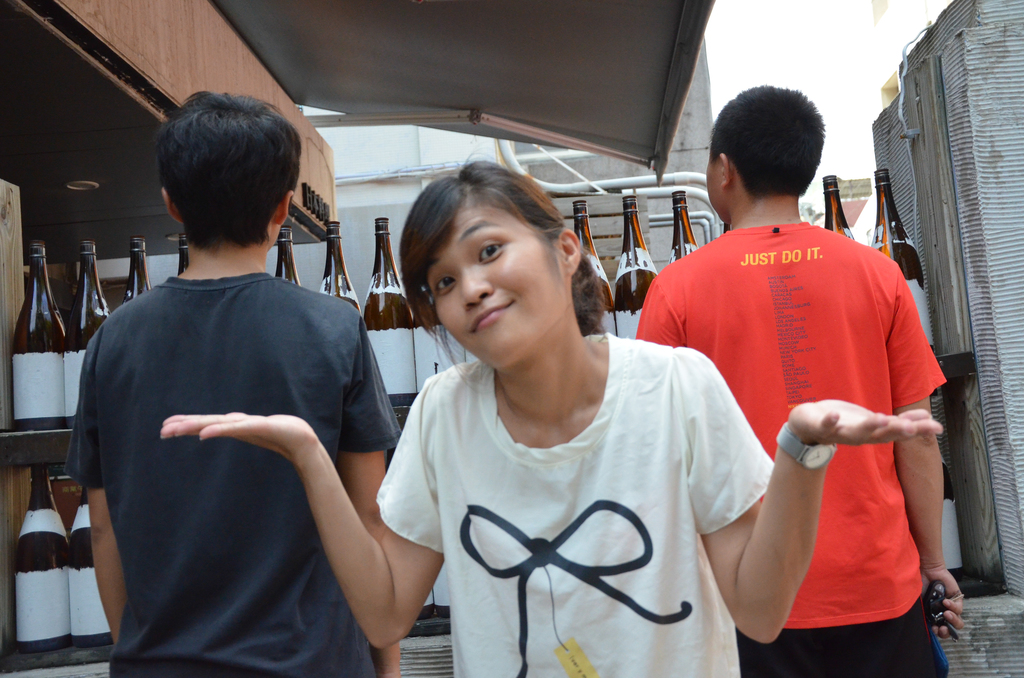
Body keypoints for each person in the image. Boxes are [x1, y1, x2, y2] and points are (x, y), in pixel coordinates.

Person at [162, 162, 942, 678]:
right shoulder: (443, 413)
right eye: (442, 281)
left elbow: (762, 613)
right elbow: (386, 609)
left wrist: (800, 453)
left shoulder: (675, 387)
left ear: (566, 249)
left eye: (488, 252)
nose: (470, 288)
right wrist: (310, 458)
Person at [64, 92, 402, 678]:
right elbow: (369, 518)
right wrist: (387, 669)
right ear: (284, 206)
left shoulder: (112, 341)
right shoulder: (333, 328)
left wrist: (141, 652)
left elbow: (103, 528)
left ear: (172, 204)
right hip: (314, 664)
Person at [637, 86, 964, 677]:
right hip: (877, 584)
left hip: (748, 594)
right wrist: (934, 563)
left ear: (723, 169)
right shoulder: (879, 275)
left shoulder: (675, 290)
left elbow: (655, 456)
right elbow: (917, 435)